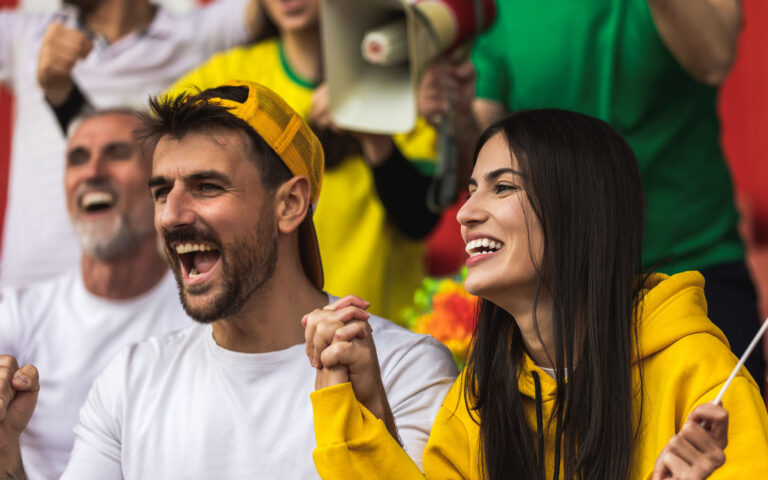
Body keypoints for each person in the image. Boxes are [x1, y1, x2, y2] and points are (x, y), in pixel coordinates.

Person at [0, 81, 457, 478]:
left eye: (207, 187)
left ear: (290, 205)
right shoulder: (130, 378)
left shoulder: (404, 372)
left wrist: (370, 420)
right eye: (161, 192)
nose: (172, 216)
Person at [305, 110, 768, 479]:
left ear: (578, 211)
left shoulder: (700, 376)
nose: (465, 213)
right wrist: (356, 403)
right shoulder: (477, 398)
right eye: (470, 192)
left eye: (502, 187)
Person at [470, 0, 765, 389]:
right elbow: (485, 150)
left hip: (694, 269)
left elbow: (713, 57)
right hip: (562, 291)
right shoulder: (501, 10)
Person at [165, 0, 476, 319]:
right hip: (269, 333)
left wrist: (375, 136)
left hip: (382, 331)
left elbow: (418, 219)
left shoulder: (402, 72)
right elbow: (155, 153)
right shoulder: (226, 76)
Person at [0, 0, 260, 289]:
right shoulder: (24, 34)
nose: (94, 171)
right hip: (24, 299)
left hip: (149, 301)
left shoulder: (197, 35)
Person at [0, 109, 190, 480]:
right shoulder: (19, 314)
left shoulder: (205, 315)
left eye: (117, 153)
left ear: (161, 186)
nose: (92, 172)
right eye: (77, 158)